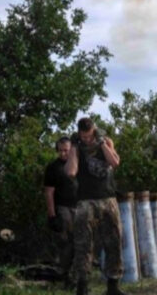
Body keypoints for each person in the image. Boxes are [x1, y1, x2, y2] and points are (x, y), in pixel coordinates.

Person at [65, 118, 125, 295]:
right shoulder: (77, 146)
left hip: (107, 197)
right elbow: (70, 172)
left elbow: (115, 163)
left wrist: (102, 144)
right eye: (83, 137)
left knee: (114, 240)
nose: (87, 140)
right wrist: (74, 149)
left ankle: (113, 286)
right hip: (86, 200)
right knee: (84, 243)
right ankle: (82, 286)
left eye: (89, 136)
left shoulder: (105, 141)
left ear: (94, 131)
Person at [44, 136, 78, 283]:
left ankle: (79, 275)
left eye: (67, 150)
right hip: (63, 208)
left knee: (81, 242)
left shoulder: (78, 164)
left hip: (80, 207)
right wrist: (52, 215)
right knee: (66, 243)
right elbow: (49, 192)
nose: (64, 153)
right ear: (57, 151)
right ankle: (64, 274)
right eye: (61, 150)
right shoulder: (53, 168)